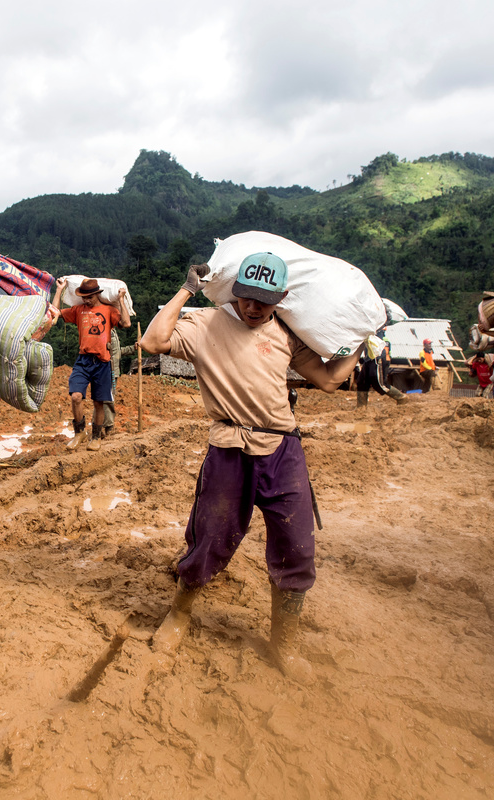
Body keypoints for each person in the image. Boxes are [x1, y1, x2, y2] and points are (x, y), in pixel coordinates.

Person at [139, 254, 363, 684]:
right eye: (247, 298)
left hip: (282, 449)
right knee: (209, 537)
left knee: (297, 545)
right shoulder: (204, 324)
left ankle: (284, 644)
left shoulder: (285, 334)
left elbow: (329, 380)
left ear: (281, 299)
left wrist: (360, 336)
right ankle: (179, 614)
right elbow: (152, 342)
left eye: (265, 301)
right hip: (229, 448)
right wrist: (187, 289)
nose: (254, 308)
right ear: (235, 291)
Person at [52, 278, 131, 451]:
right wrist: (59, 290)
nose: (86, 300)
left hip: (102, 362)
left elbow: (126, 323)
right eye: (84, 297)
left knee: (99, 402)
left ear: (97, 294)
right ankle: (79, 432)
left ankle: (96, 437)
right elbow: (54, 312)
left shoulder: (108, 310)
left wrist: (121, 300)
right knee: (76, 397)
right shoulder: (79, 310)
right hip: (83, 360)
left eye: (89, 297)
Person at [355, 329, 405, 406]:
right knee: (362, 382)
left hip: (377, 356)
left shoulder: (377, 325)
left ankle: (401, 397)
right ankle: (361, 407)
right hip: (369, 357)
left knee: (379, 384)